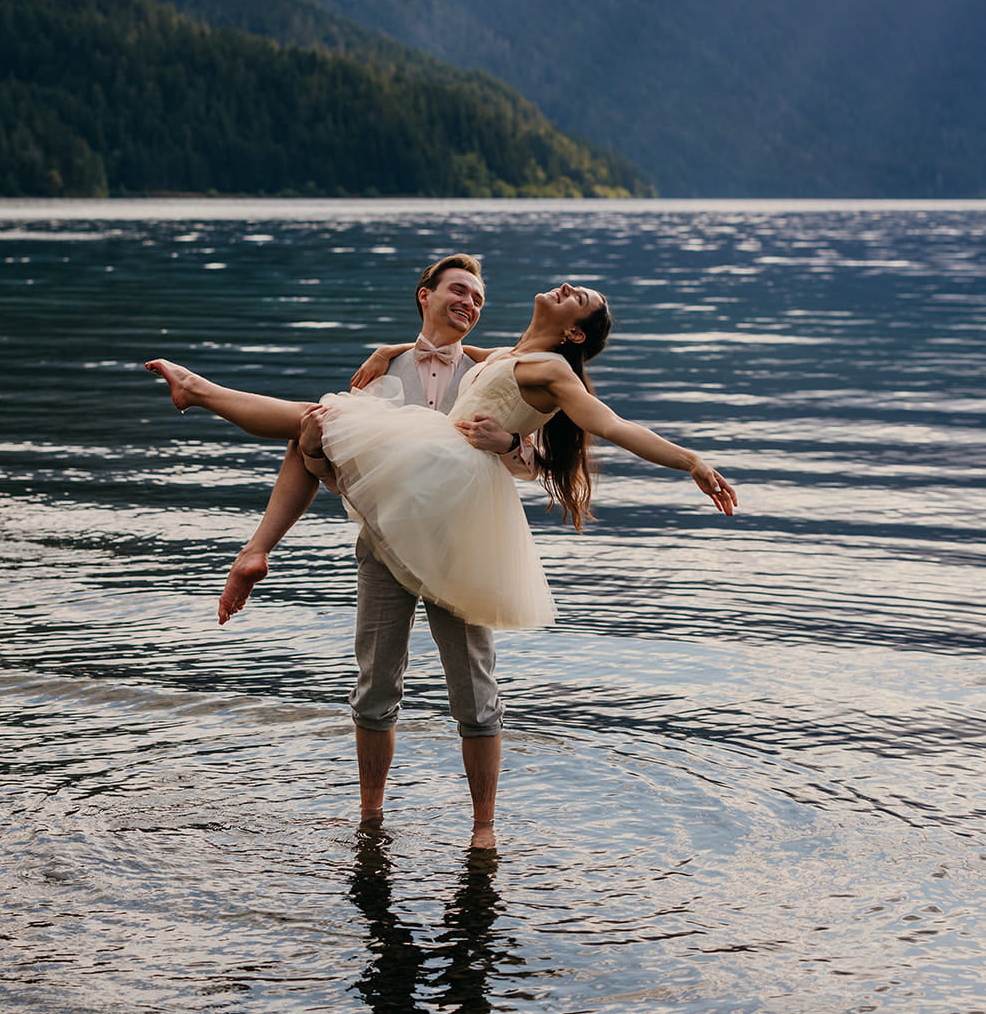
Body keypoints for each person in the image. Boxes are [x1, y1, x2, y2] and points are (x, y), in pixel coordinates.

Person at [146, 272, 736, 844]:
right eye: (568, 285)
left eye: (576, 297)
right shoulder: (505, 353)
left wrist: (691, 462)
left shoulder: (553, 368)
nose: (564, 288)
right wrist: (390, 348)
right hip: (421, 493)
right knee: (317, 424)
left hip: (457, 509)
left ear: (574, 333)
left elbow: (610, 424)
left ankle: (483, 828)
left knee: (472, 687)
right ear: (428, 295)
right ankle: (374, 814)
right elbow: (453, 351)